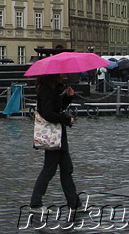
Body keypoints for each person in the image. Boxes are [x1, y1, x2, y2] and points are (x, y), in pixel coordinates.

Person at [29, 74, 81, 210]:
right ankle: (35, 203)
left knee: (66, 169)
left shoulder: (54, 88)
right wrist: (66, 119)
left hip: (59, 135)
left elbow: (58, 107)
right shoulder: (47, 89)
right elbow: (48, 113)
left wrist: (68, 97)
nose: (63, 75)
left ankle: (74, 203)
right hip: (53, 136)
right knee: (49, 169)